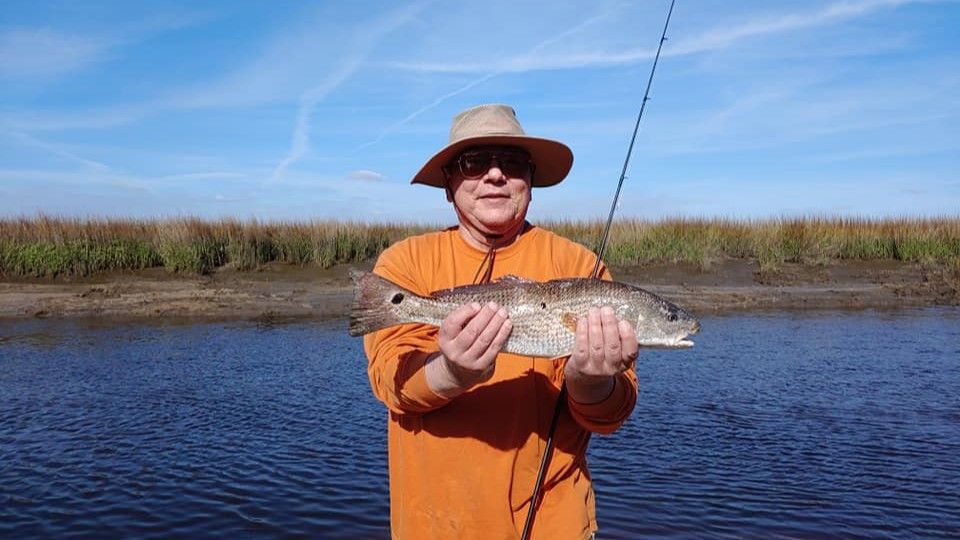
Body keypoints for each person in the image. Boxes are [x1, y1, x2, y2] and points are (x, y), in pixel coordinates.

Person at [363, 103, 640, 539]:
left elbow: (610, 416)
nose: (495, 175)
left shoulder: (581, 264)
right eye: (475, 162)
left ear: (530, 180)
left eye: (512, 163)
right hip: (432, 528)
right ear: (448, 184)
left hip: (556, 526)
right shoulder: (405, 263)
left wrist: (589, 382)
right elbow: (391, 384)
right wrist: (451, 371)